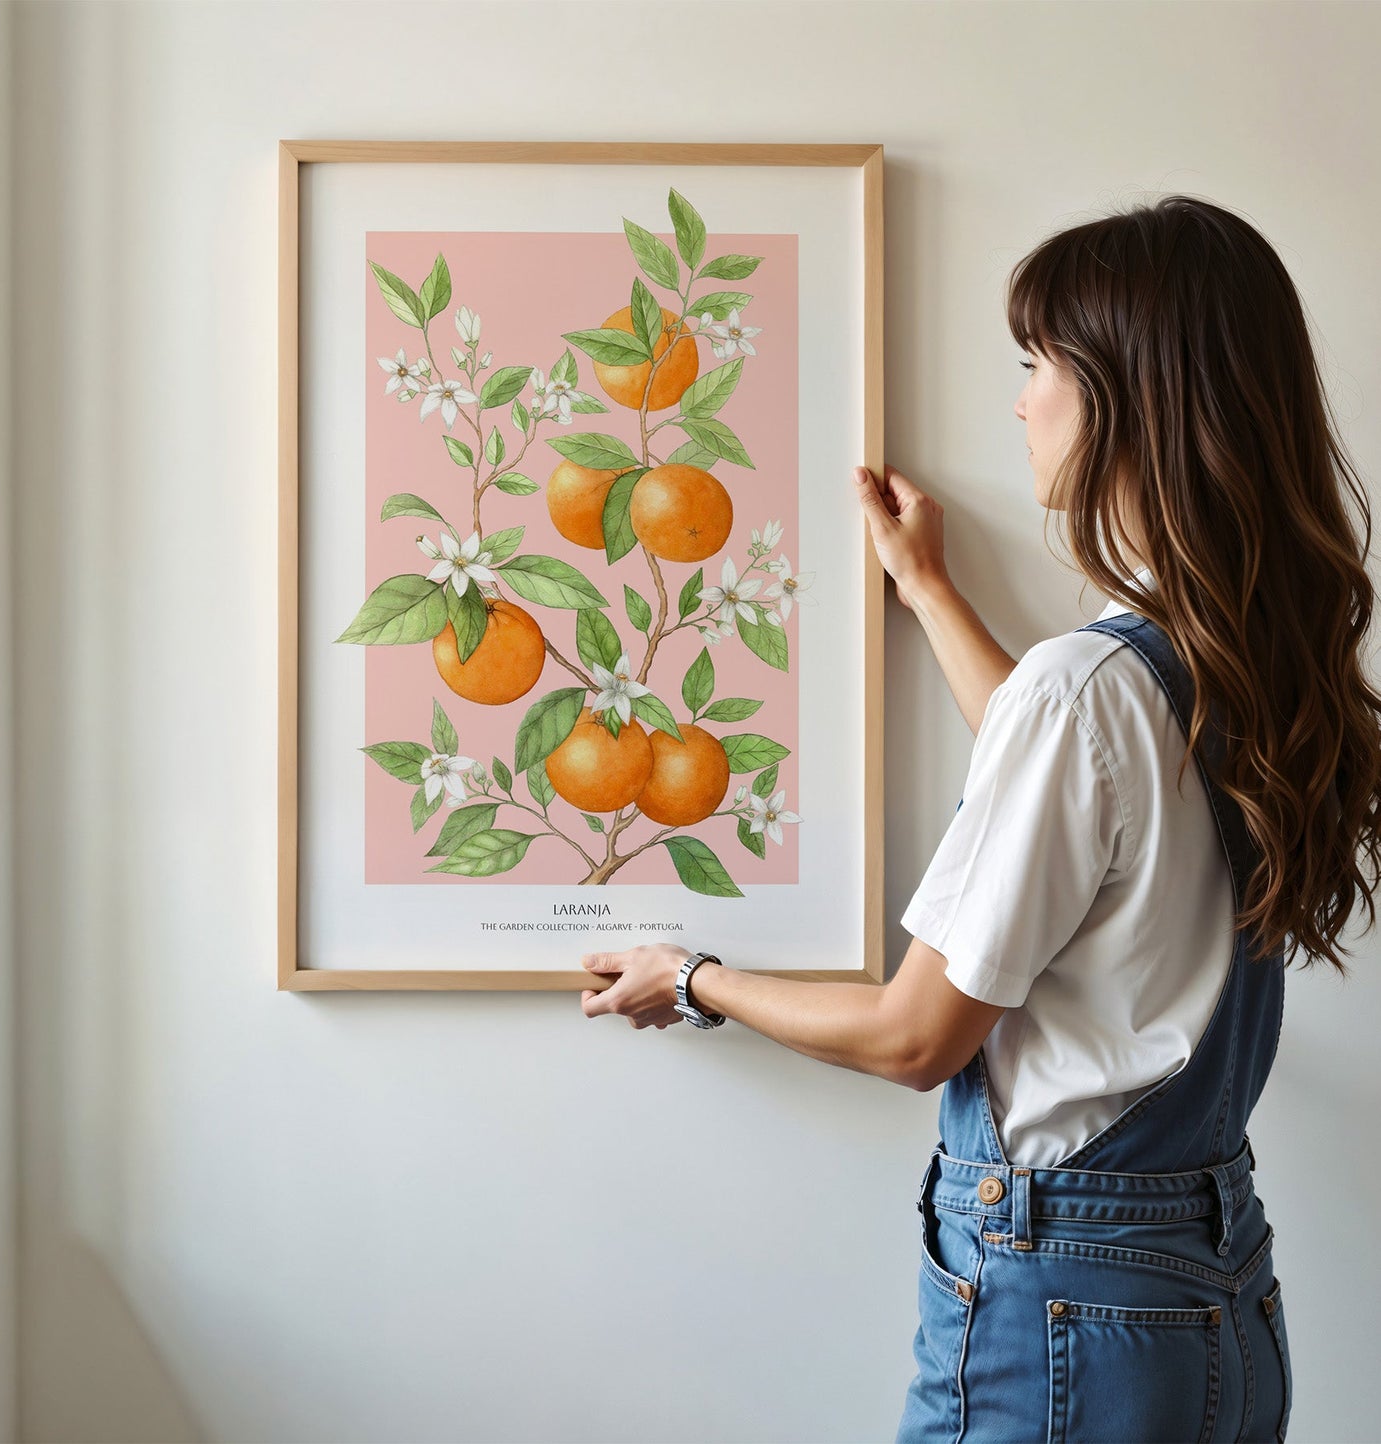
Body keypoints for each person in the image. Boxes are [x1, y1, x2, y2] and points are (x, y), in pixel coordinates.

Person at [577, 194, 1381, 1442]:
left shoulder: (1092, 691)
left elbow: (913, 1040)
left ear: (1122, 393)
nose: (1018, 401)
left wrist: (691, 976)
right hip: (1216, 1303)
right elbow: (1074, 782)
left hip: (1065, 1309)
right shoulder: (1245, 664)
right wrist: (928, 587)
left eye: (1035, 364)